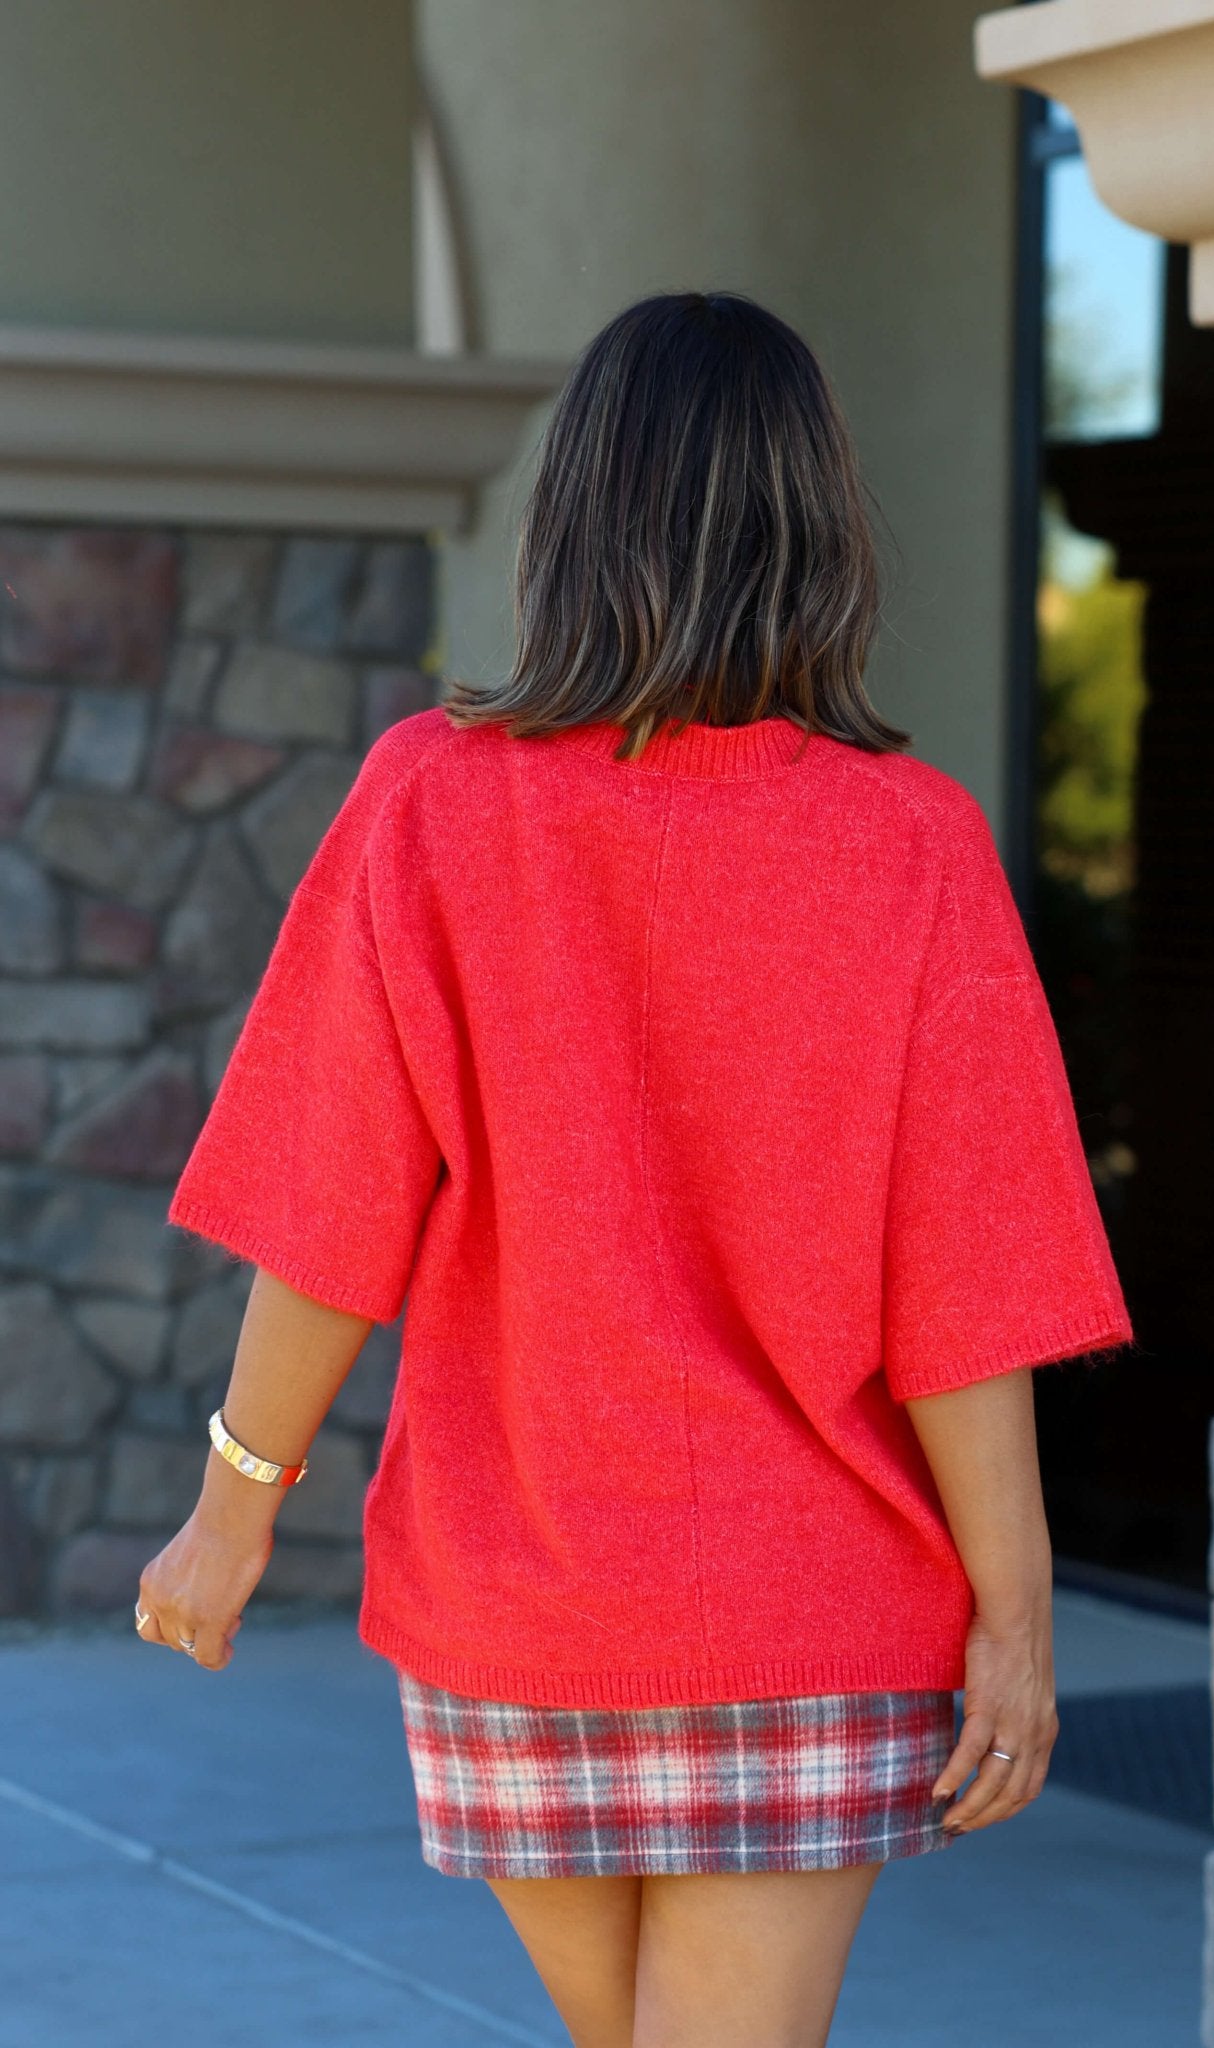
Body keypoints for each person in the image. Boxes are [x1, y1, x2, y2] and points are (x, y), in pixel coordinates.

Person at [137, 289, 1133, 2048]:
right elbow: (968, 1291)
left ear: (571, 517)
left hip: (518, 1609)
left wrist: (235, 1511)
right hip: (808, 1614)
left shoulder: (431, 802)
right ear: (814, 527)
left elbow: (328, 1215)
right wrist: (1019, 1621)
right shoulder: (908, 842)